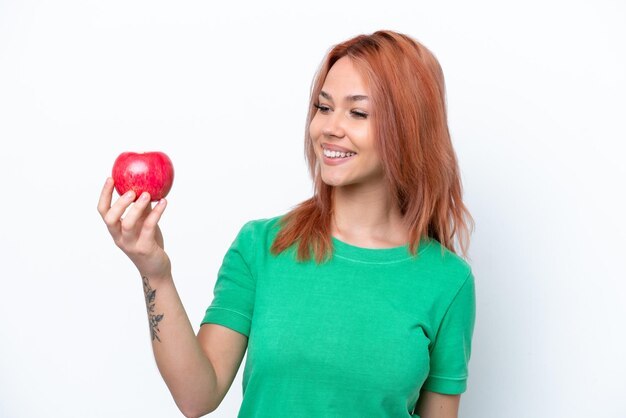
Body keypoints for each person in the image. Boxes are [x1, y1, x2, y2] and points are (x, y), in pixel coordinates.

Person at [97, 29, 476, 418]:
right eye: (323, 107)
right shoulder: (262, 247)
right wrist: (155, 274)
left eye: (358, 112)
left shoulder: (448, 281)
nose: (329, 127)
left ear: (410, 130)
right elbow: (197, 395)